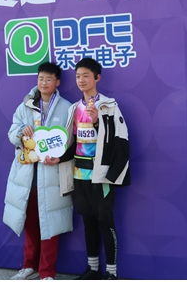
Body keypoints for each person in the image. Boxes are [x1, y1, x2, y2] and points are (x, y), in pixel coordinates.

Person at [54, 57, 130, 280]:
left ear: (97, 77)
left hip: (101, 176)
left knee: (105, 222)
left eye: (86, 76)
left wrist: (98, 121)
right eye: (78, 76)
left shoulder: (109, 106)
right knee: (88, 223)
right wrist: (57, 158)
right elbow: (74, 143)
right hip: (80, 175)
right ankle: (93, 269)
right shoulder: (74, 109)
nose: (81, 80)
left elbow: (119, 140)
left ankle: (112, 273)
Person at [3, 62, 73, 281]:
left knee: (50, 224)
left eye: (49, 79)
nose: (44, 83)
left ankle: (47, 273)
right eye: (41, 78)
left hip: (51, 175)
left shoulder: (66, 108)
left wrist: (60, 156)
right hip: (27, 176)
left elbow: (71, 141)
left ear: (57, 82)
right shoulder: (25, 106)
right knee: (30, 223)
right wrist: (21, 133)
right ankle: (28, 266)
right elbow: (12, 134)